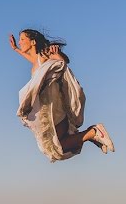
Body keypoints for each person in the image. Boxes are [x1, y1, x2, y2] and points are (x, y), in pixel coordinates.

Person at [10, 29, 114, 161]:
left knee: (54, 147)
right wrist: (15, 49)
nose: (20, 42)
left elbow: (63, 62)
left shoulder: (44, 54)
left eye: (22, 39)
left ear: (33, 42)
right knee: (57, 147)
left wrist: (58, 54)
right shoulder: (36, 60)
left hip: (55, 109)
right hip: (49, 110)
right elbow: (31, 58)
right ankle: (91, 134)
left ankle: (94, 132)